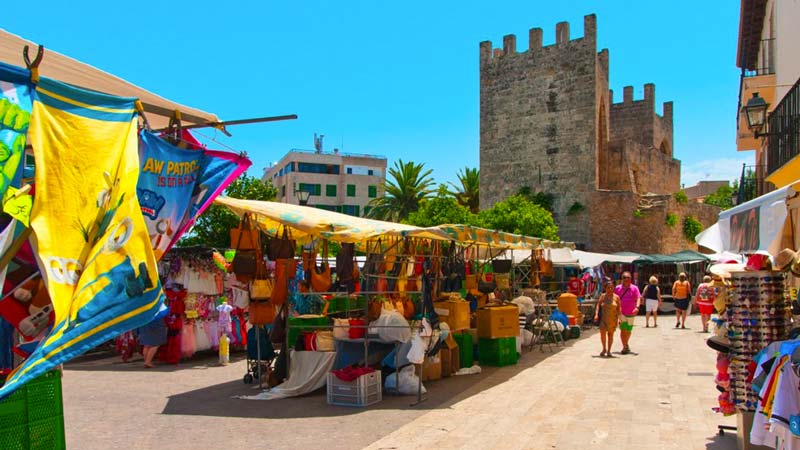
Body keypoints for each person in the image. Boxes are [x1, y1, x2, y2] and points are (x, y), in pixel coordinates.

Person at [614, 271, 642, 354]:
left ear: (631, 279)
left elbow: (638, 298)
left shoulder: (634, 288)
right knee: (623, 329)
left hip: (631, 312)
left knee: (628, 330)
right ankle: (625, 346)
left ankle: (626, 344)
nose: (626, 279)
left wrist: (637, 307)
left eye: (628, 278)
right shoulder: (618, 288)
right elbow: (614, 298)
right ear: (622, 279)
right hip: (621, 312)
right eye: (624, 277)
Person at [594, 280, 621, 357]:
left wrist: (620, 319)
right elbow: (598, 305)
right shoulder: (603, 296)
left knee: (610, 335)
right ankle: (604, 348)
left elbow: (619, 309)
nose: (610, 289)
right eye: (608, 288)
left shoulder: (617, 297)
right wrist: (596, 314)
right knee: (602, 334)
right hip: (603, 318)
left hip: (612, 319)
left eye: (611, 287)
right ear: (605, 288)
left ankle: (609, 350)